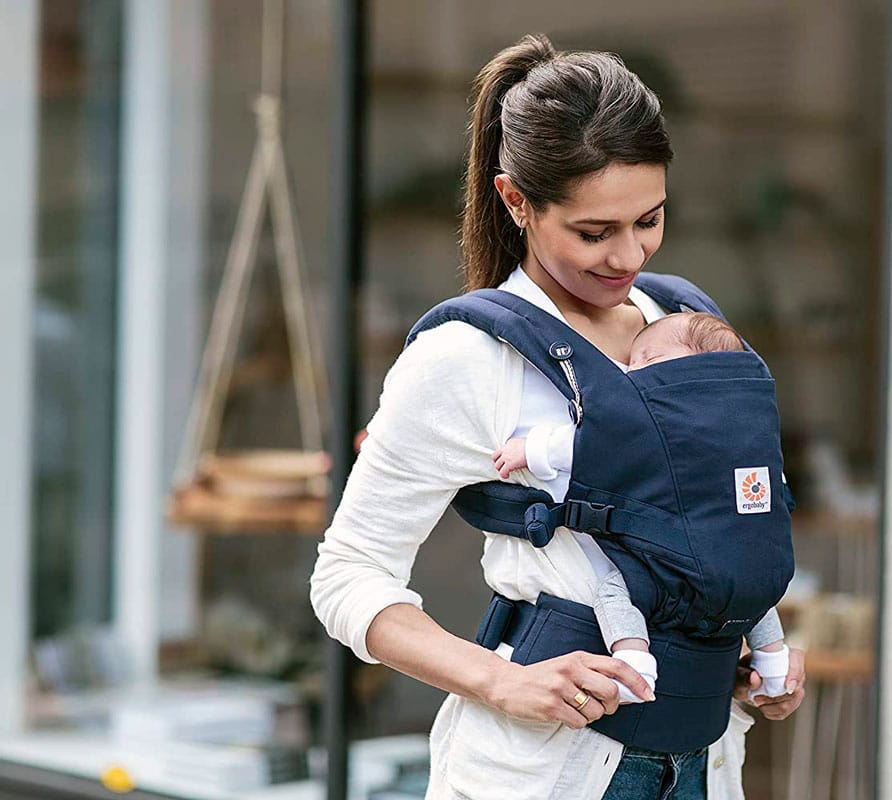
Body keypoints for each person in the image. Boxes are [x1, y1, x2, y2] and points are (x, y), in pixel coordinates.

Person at [310, 33, 805, 800]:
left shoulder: (686, 324)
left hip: (706, 761)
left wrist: (750, 657)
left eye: (650, 219)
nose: (629, 255)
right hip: (547, 769)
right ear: (516, 201)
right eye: (593, 232)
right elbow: (347, 576)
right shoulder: (467, 357)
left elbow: (712, 521)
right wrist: (499, 682)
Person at [491, 311, 793, 706]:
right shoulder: (751, 419)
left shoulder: (659, 413)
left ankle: (633, 661)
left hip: (675, 570)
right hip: (757, 567)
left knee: (617, 592)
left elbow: (594, 443)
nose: (632, 371)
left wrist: (529, 450)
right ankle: (775, 668)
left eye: (643, 361)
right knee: (754, 598)